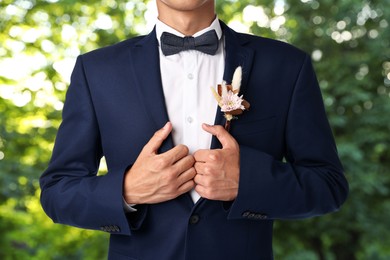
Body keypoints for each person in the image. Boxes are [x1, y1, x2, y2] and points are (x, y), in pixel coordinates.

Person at [40, 0, 349, 259]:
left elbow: (328, 185)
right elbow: (57, 192)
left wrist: (248, 181)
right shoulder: (96, 70)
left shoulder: (286, 66)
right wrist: (127, 190)